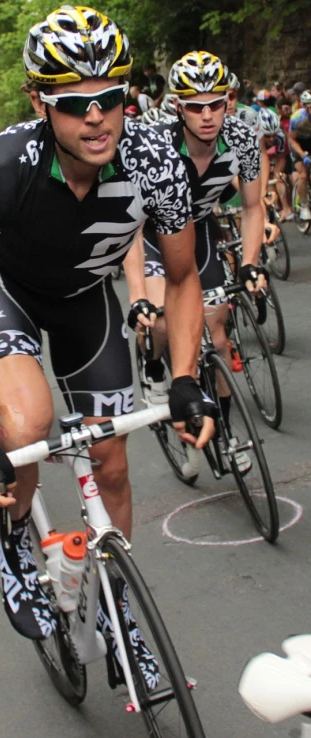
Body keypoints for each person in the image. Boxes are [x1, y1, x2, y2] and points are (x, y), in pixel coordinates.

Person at [0, 6, 214, 643]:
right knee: (26, 425)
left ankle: (120, 616)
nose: (95, 116)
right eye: (72, 103)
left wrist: (181, 376)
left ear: (127, 95)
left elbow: (180, 276)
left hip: (88, 299)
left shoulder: (157, 160)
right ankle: (16, 549)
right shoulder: (1, 170)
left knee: (111, 462)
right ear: (40, 103)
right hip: (7, 296)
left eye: (109, 97)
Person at [134, 51, 265, 471]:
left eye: (215, 103)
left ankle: (228, 434)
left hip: (201, 229)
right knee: (162, 320)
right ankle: (154, 364)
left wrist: (249, 262)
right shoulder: (156, 145)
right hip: (155, 235)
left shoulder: (243, 138)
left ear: (229, 101)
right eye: (195, 105)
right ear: (178, 106)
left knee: (219, 337)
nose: (207, 115)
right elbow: (132, 227)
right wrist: (138, 295)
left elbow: (252, 206)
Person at [288, 89, 311, 220]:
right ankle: (303, 206)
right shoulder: (297, 118)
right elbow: (291, 139)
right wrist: (303, 155)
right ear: (306, 107)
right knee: (303, 174)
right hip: (298, 143)